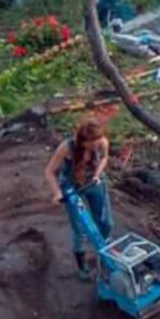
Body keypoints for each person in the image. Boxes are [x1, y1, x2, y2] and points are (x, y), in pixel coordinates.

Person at [45, 119, 114, 279]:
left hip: (94, 180)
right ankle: (82, 267)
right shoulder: (66, 147)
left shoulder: (102, 141)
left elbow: (104, 158)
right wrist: (57, 193)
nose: (98, 146)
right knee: (80, 229)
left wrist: (97, 174)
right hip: (72, 186)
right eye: (94, 144)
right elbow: (49, 172)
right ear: (84, 142)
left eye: (99, 143)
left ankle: (103, 252)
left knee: (106, 222)